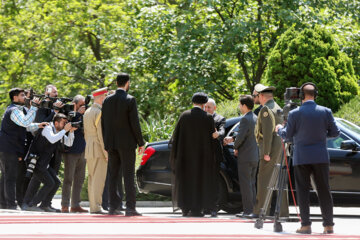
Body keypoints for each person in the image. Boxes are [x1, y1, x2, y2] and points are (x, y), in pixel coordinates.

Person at [276, 82, 339, 234]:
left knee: (302, 191)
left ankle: (305, 225)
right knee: (324, 190)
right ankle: (328, 225)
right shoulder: (326, 111)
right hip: (321, 156)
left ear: (302, 96)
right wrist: (322, 136)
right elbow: (335, 132)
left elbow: (288, 135)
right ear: (315, 95)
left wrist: (279, 130)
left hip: (302, 157)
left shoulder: (294, 113)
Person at [101, 73, 145, 216]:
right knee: (128, 175)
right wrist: (140, 142)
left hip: (111, 143)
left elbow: (103, 124)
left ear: (116, 83)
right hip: (126, 144)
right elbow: (134, 123)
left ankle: (113, 207)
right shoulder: (130, 99)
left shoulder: (107, 100)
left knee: (113, 175)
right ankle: (130, 207)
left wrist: (106, 143)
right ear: (127, 83)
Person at [170, 92, 218, 217]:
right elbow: (213, 139)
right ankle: (198, 208)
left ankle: (185, 208)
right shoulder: (208, 117)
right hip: (202, 158)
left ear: (193, 102)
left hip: (185, 157)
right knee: (200, 181)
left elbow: (176, 137)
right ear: (204, 104)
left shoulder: (184, 116)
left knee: (186, 181)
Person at [0, 88, 44, 210]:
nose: (25, 97)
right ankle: (11, 205)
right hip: (9, 148)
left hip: (7, 148)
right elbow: (24, 122)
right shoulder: (14, 110)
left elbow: (25, 125)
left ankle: (3, 203)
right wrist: (34, 107)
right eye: (22, 95)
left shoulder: (15, 110)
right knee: (10, 177)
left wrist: (38, 125)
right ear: (15, 98)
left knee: (6, 176)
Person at [21, 113, 76, 211]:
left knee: (56, 182)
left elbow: (69, 143)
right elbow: (52, 139)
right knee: (50, 183)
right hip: (35, 161)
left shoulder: (59, 131)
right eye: (63, 123)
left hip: (43, 163)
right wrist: (65, 130)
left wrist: (71, 132)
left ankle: (45, 205)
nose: (65, 125)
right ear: (56, 122)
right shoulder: (48, 128)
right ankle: (32, 204)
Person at [250, 84, 289, 219]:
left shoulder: (266, 109)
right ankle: (283, 212)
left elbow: (267, 133)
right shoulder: (278, 107)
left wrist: (266, 152)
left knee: (264, 181)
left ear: (261, 96)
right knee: (279, 182)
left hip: (270, 151)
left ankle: (261, 211)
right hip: (280, 150)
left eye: (256, 96)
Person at [223, 95, 259, 217]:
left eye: (239, 105)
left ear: (244, 105)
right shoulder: (255, 117)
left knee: (245, 184)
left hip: (246, 156)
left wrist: (235, 147)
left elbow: (241, 137)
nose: (239, 107)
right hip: (254, 155)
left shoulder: (245, 119)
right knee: (252, 183)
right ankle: (254, 209)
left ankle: (248, 210)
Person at [84, 88, 109, 214]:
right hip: (98, 148)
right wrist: (106, 152)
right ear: (100, 97)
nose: (106, 98)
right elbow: (101, 135)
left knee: (92, 178)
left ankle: (93, 206)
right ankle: (96, 207)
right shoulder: (99, 112)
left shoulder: (88, 111)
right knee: (99, 179)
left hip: (89, 147)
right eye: (105, 96)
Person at [61, 95, 87, 213]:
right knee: (68, 179)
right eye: (81, 105)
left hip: (82, 149)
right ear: (75, 104)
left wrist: (82, 114)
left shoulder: (84, 115)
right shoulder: (68, 113)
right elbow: (69, 125)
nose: (84, 107)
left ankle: (75, 204)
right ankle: (65, 204)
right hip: (71, 151)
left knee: (79, 179)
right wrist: (78, 113)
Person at [204, 98, 225, 216]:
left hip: (214, 156)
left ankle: (213, 207)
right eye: (205, 107)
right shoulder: (201, 118)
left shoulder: (219, 119)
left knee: (214, 182)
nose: (206, 109)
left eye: (209, 107)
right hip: (202, 155)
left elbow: (222, 131)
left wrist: (218, 134)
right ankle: (204, 206)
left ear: (214, 108)